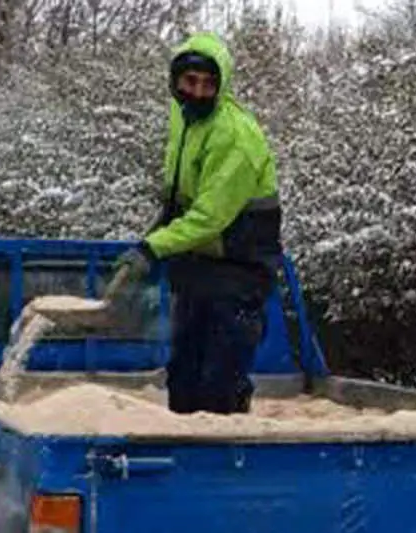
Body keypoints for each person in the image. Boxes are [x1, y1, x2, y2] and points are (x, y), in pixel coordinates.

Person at [104, 31, 283, 415]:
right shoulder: (184, 119)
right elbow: (181, 196)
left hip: (239, 269)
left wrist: (154, 248)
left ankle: (223, 469)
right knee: (183, 380)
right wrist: (155, 231)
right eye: (190, 82)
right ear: (175, 82)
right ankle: (183, 456)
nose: (198, 92)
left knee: (218, 386)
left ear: (222, 86)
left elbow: (208, 217)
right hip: (199, 267)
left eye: (208, 85)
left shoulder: (235, 137)